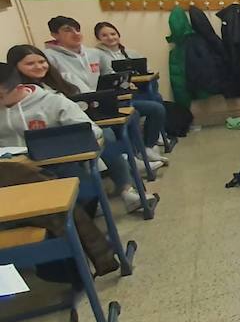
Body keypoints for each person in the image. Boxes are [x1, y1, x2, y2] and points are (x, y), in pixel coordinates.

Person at [0, 55, 151, 213]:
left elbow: (91, 131)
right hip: (12, 169)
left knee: (104, 142)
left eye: (0, 96)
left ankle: (125, 187)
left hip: (56, 163)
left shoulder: (53, 100)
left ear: (18, 87)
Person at [90, 21, 169, 163]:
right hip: (117, 97)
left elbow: (147, 69)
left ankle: (151, 142)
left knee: (156, 96)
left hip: (134, 91)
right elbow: (109, 78)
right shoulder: (97, 56)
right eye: (104, 35)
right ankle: (145, 146)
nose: (110, 37)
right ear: (98, 38)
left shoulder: (130, 52)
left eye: (113, 34)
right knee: (154, 106)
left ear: (118, 35)